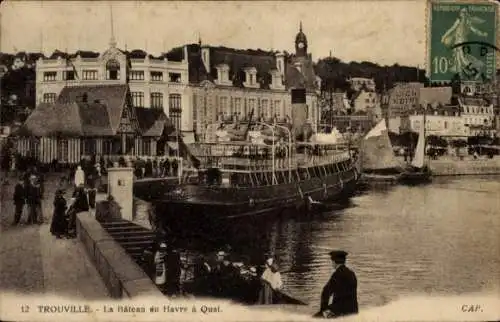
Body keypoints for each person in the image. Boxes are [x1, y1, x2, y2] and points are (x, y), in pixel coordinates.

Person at [315, 250, 358, 319]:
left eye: (332, 261)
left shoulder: (337, 274)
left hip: (339, 311)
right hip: (353, 310)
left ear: (334, 262)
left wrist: (323, 310)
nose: (332, 263)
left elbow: (325, 292)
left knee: (315, 318)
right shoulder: (352, 273)